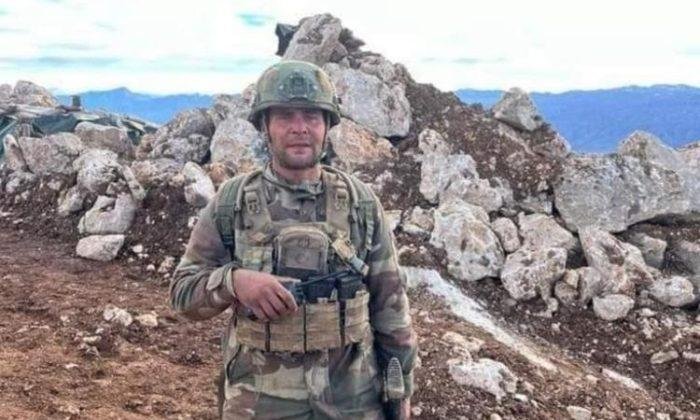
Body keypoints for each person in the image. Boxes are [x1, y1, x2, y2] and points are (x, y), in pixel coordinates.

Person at [170, 60, 417, 419]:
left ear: (327, 126)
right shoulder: (231, 203)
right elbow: (182, 294)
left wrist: (399, 394)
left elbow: (390, 309)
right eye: (285, 116)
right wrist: (234, 282)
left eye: (311, 116)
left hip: (353, 399)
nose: (299, 128)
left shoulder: (361, 203)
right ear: (265, 126)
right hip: (259, 401)